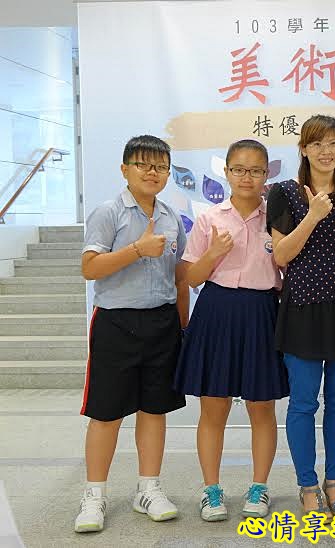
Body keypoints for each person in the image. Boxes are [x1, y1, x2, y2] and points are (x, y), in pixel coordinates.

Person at [266, 115, 335, 521]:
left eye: (333, 143)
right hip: (303, 309)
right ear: (303, 149)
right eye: (317, 144)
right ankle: (307, 484)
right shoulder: (284, 192)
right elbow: (281, 256)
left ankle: (334, 481)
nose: (326, 151)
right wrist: (312, 215)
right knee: (302, 403)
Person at [75, 135, 189, 532]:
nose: (152, 172)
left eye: (161, 166)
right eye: (143, 164)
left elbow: (179, 275)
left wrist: (183, 324)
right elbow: (89, 268)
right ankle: (94, 495)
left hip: (162, 323)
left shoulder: (172, 217)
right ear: (125, 169)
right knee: (106, 413)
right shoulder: (108, 212)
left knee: (154, 409)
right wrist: (137, 249)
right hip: (116, 323)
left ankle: (148, 488)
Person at [174, 139, 289, 521]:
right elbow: (192, 278)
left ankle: (259, 487)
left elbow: (287, 268)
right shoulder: (210, 218)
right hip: (217, 310)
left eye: (255, 170)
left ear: (267, 174)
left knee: (262, 406)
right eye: (239, 169)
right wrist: (213, 253)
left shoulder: (277, 218)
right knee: (214, 405)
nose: (246, 177)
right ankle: (211, 490)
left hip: (262, 311)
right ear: (226, 172)